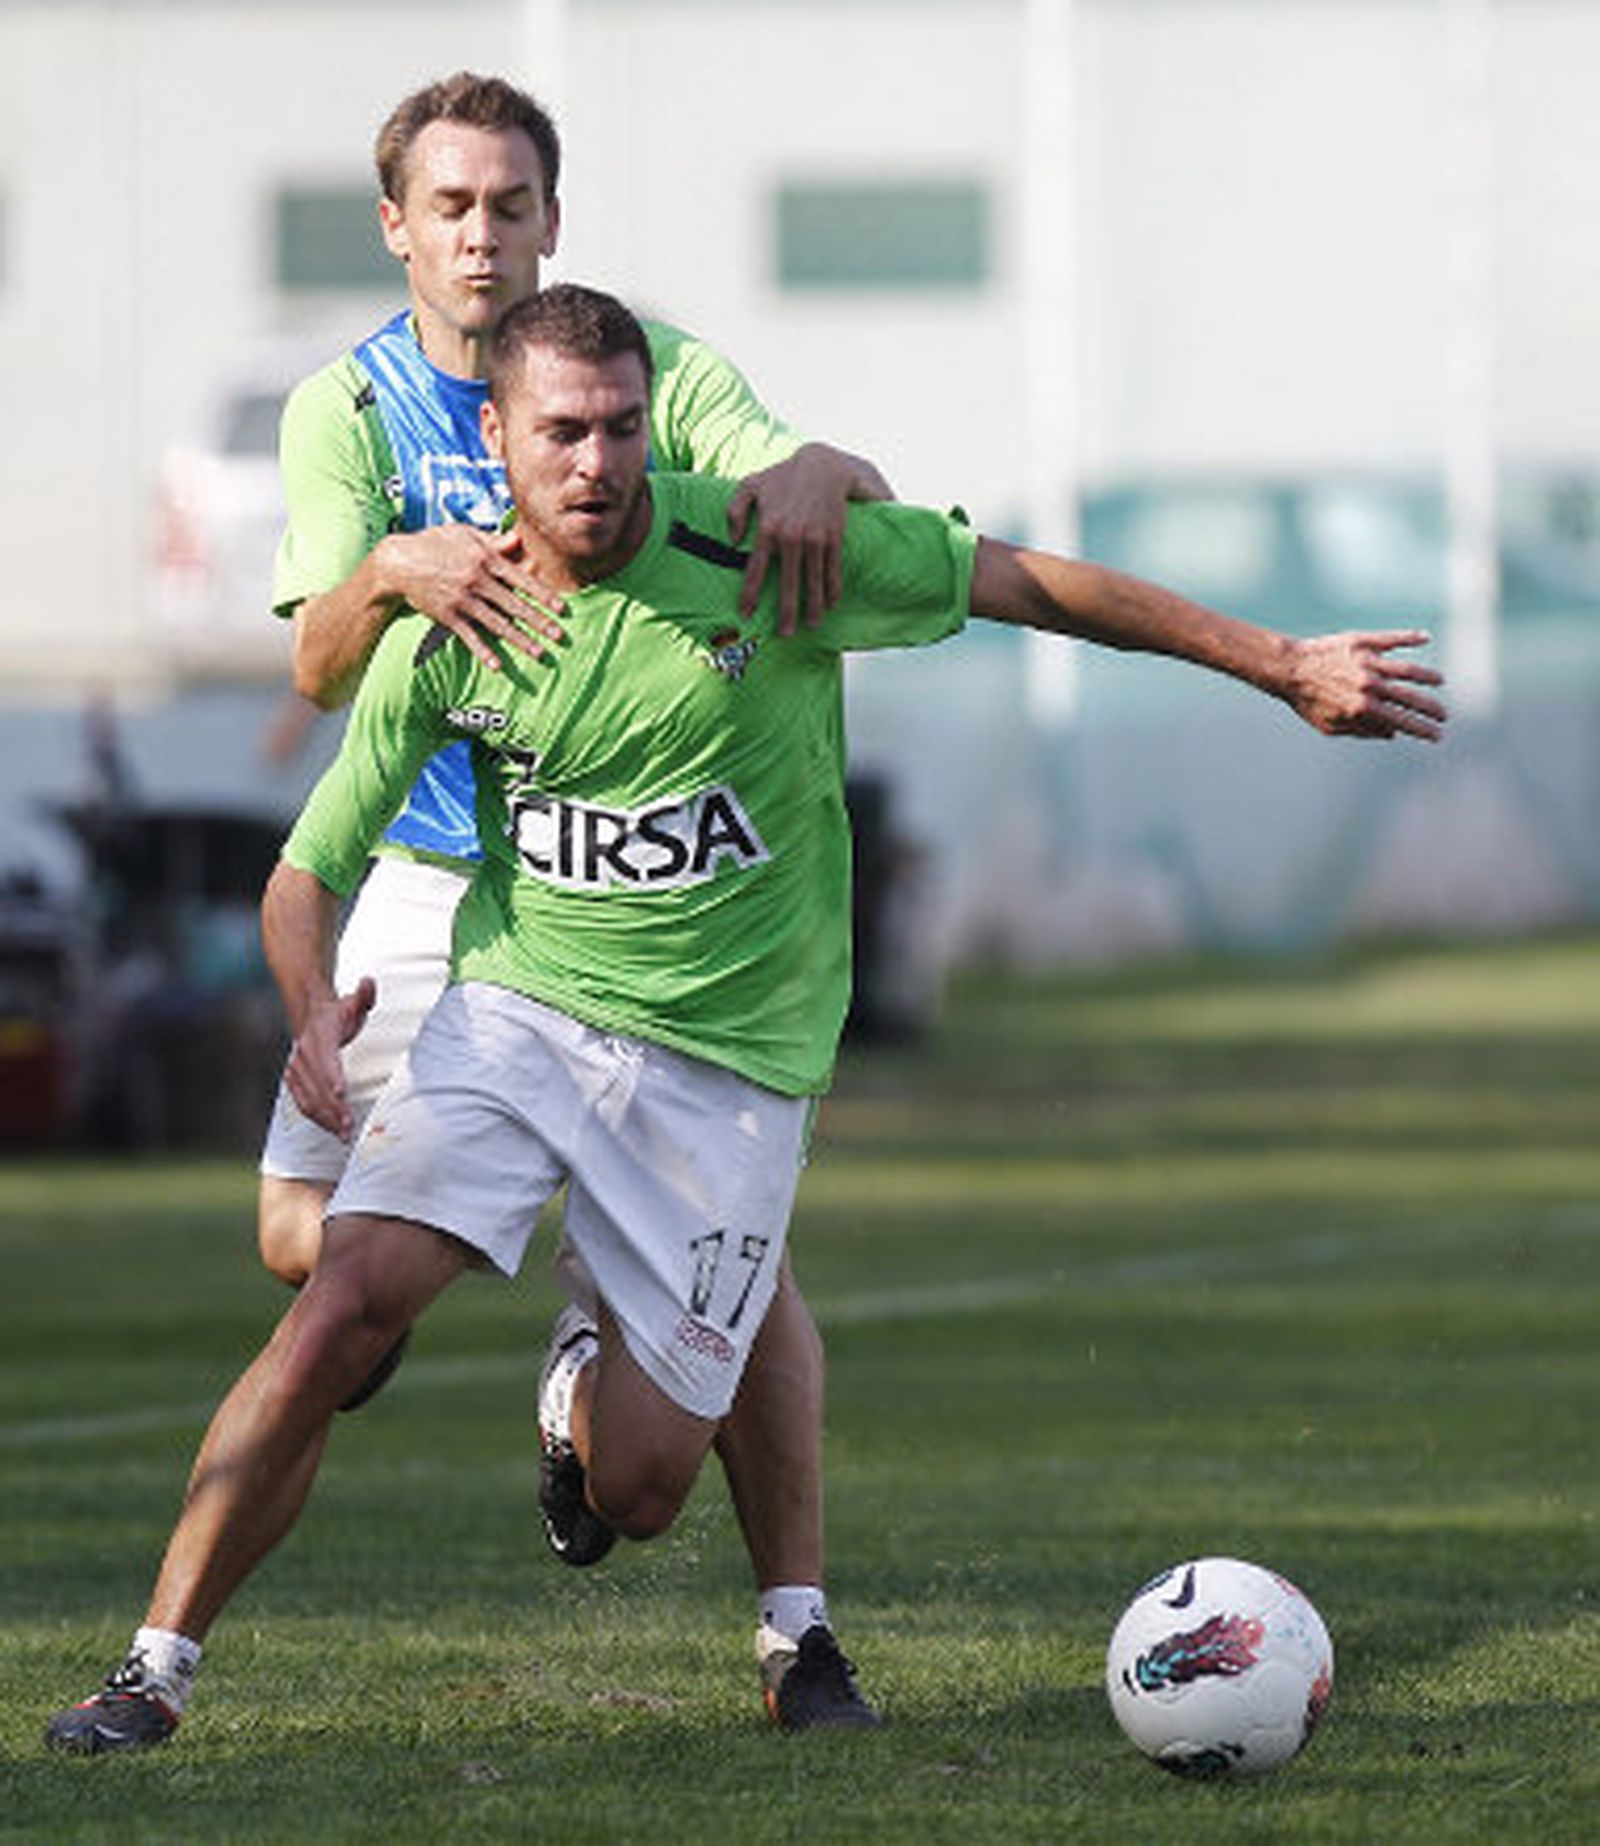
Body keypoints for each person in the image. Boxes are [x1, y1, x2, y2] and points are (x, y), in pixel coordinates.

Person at [45, 284, 1445, 1756]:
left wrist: (1283, 664)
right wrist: (308, 1017)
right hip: (517, 1014)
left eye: (620, 427)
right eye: (561, 432)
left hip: (727, 1062)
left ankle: (586, 1389)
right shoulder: (455, 624)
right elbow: (306, 869)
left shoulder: (773, 551)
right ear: (495, 438)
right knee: (338, 1305)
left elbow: (1031, 584)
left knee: (643, 1490)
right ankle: (153, 1668)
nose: (596, 461)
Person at [253, 73, 890, 1727]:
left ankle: (799, 1628)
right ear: (397, 227)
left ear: (553, 218)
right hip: (431, 873)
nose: (483, 235)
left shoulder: (643, 369)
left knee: (752, 1265)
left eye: (511, 204)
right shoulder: (347, 410)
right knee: (297, 1246)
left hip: (619, 893)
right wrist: (389, 570)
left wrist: (829, 465)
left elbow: (789, 481)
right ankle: (573, 1256)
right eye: (451, 206)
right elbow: (317, 670)